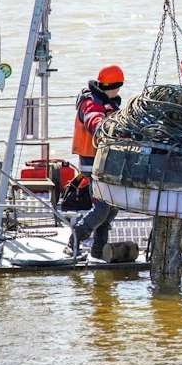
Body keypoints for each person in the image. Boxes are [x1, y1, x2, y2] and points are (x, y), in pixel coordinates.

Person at [66, 64, 125, 258]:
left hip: (106, 161)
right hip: (93, 163)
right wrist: (107, 128)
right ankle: (75, 238)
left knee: (111, 208)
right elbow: (94, 121)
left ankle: (99, 250)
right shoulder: (91, 102)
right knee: (101, 209)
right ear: (113, 85)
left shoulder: (109, 102)